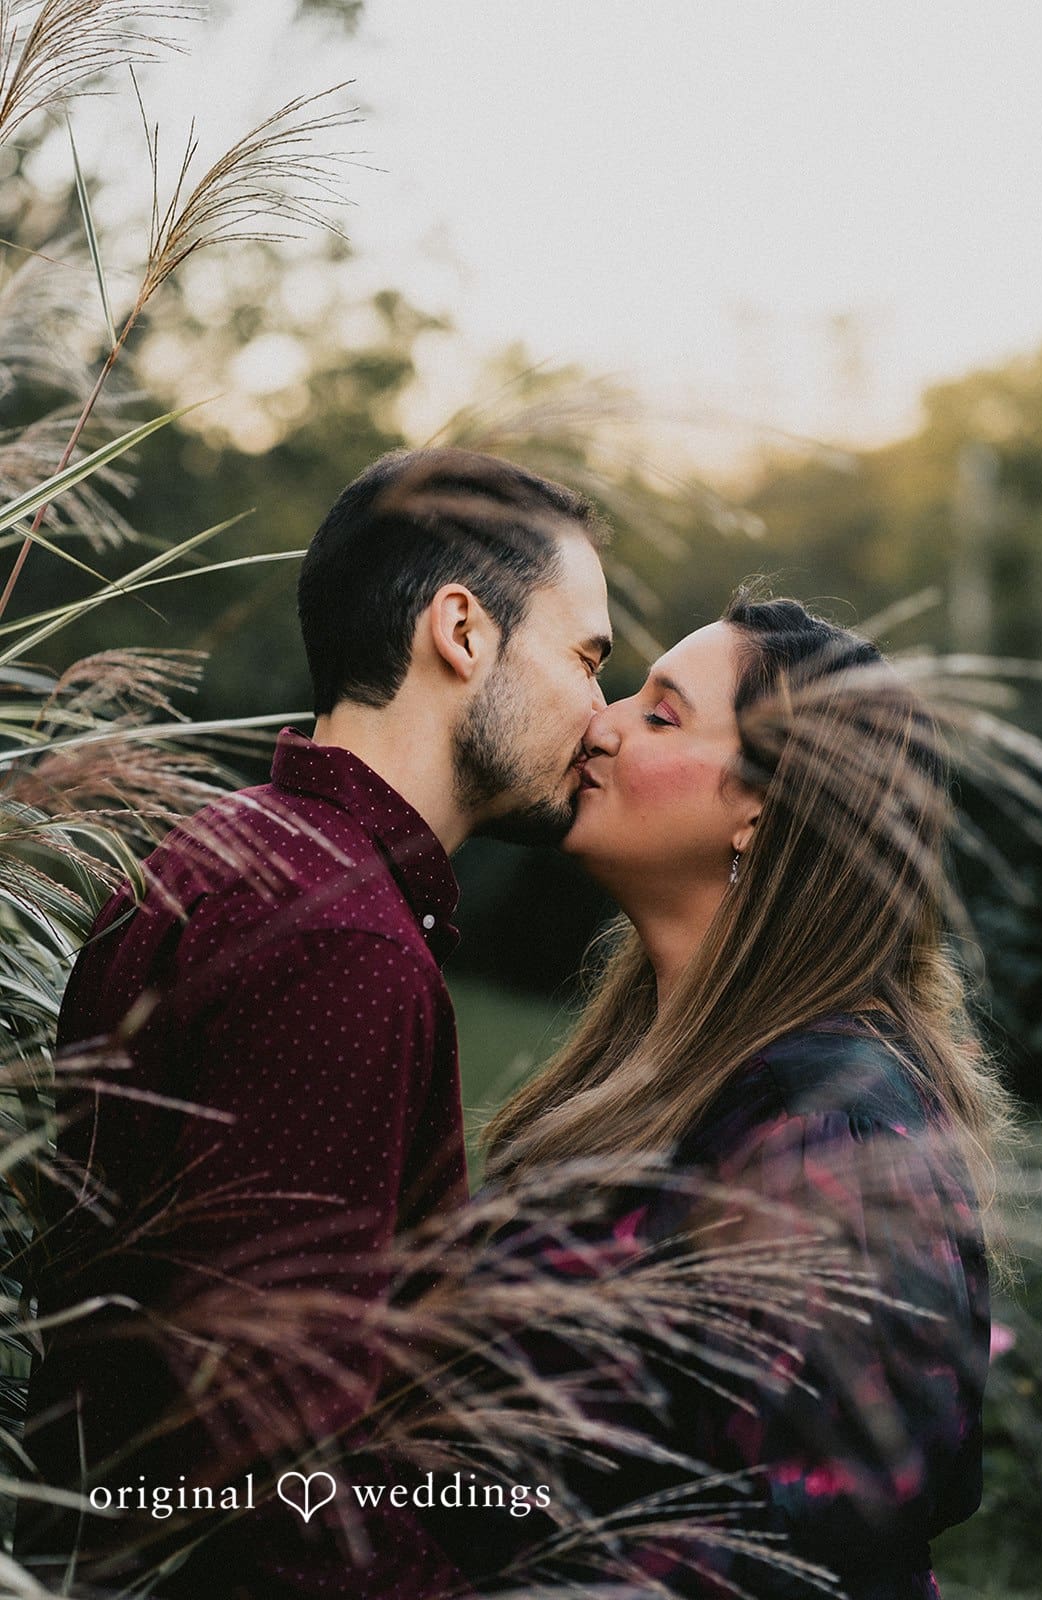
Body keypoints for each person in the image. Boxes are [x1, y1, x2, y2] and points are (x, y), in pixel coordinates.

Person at [18, 447, 613, 1598]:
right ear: (461, 630)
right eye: (585, 658)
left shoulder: (230, 848)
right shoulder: (339, 940)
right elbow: (271, 1468)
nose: (599, 715)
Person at [474, 590, 1012, 1598]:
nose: (601, 719)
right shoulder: (660, 1062)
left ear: (760, 806)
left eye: (660, 712)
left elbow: (810, 1557)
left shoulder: (822, 1129)